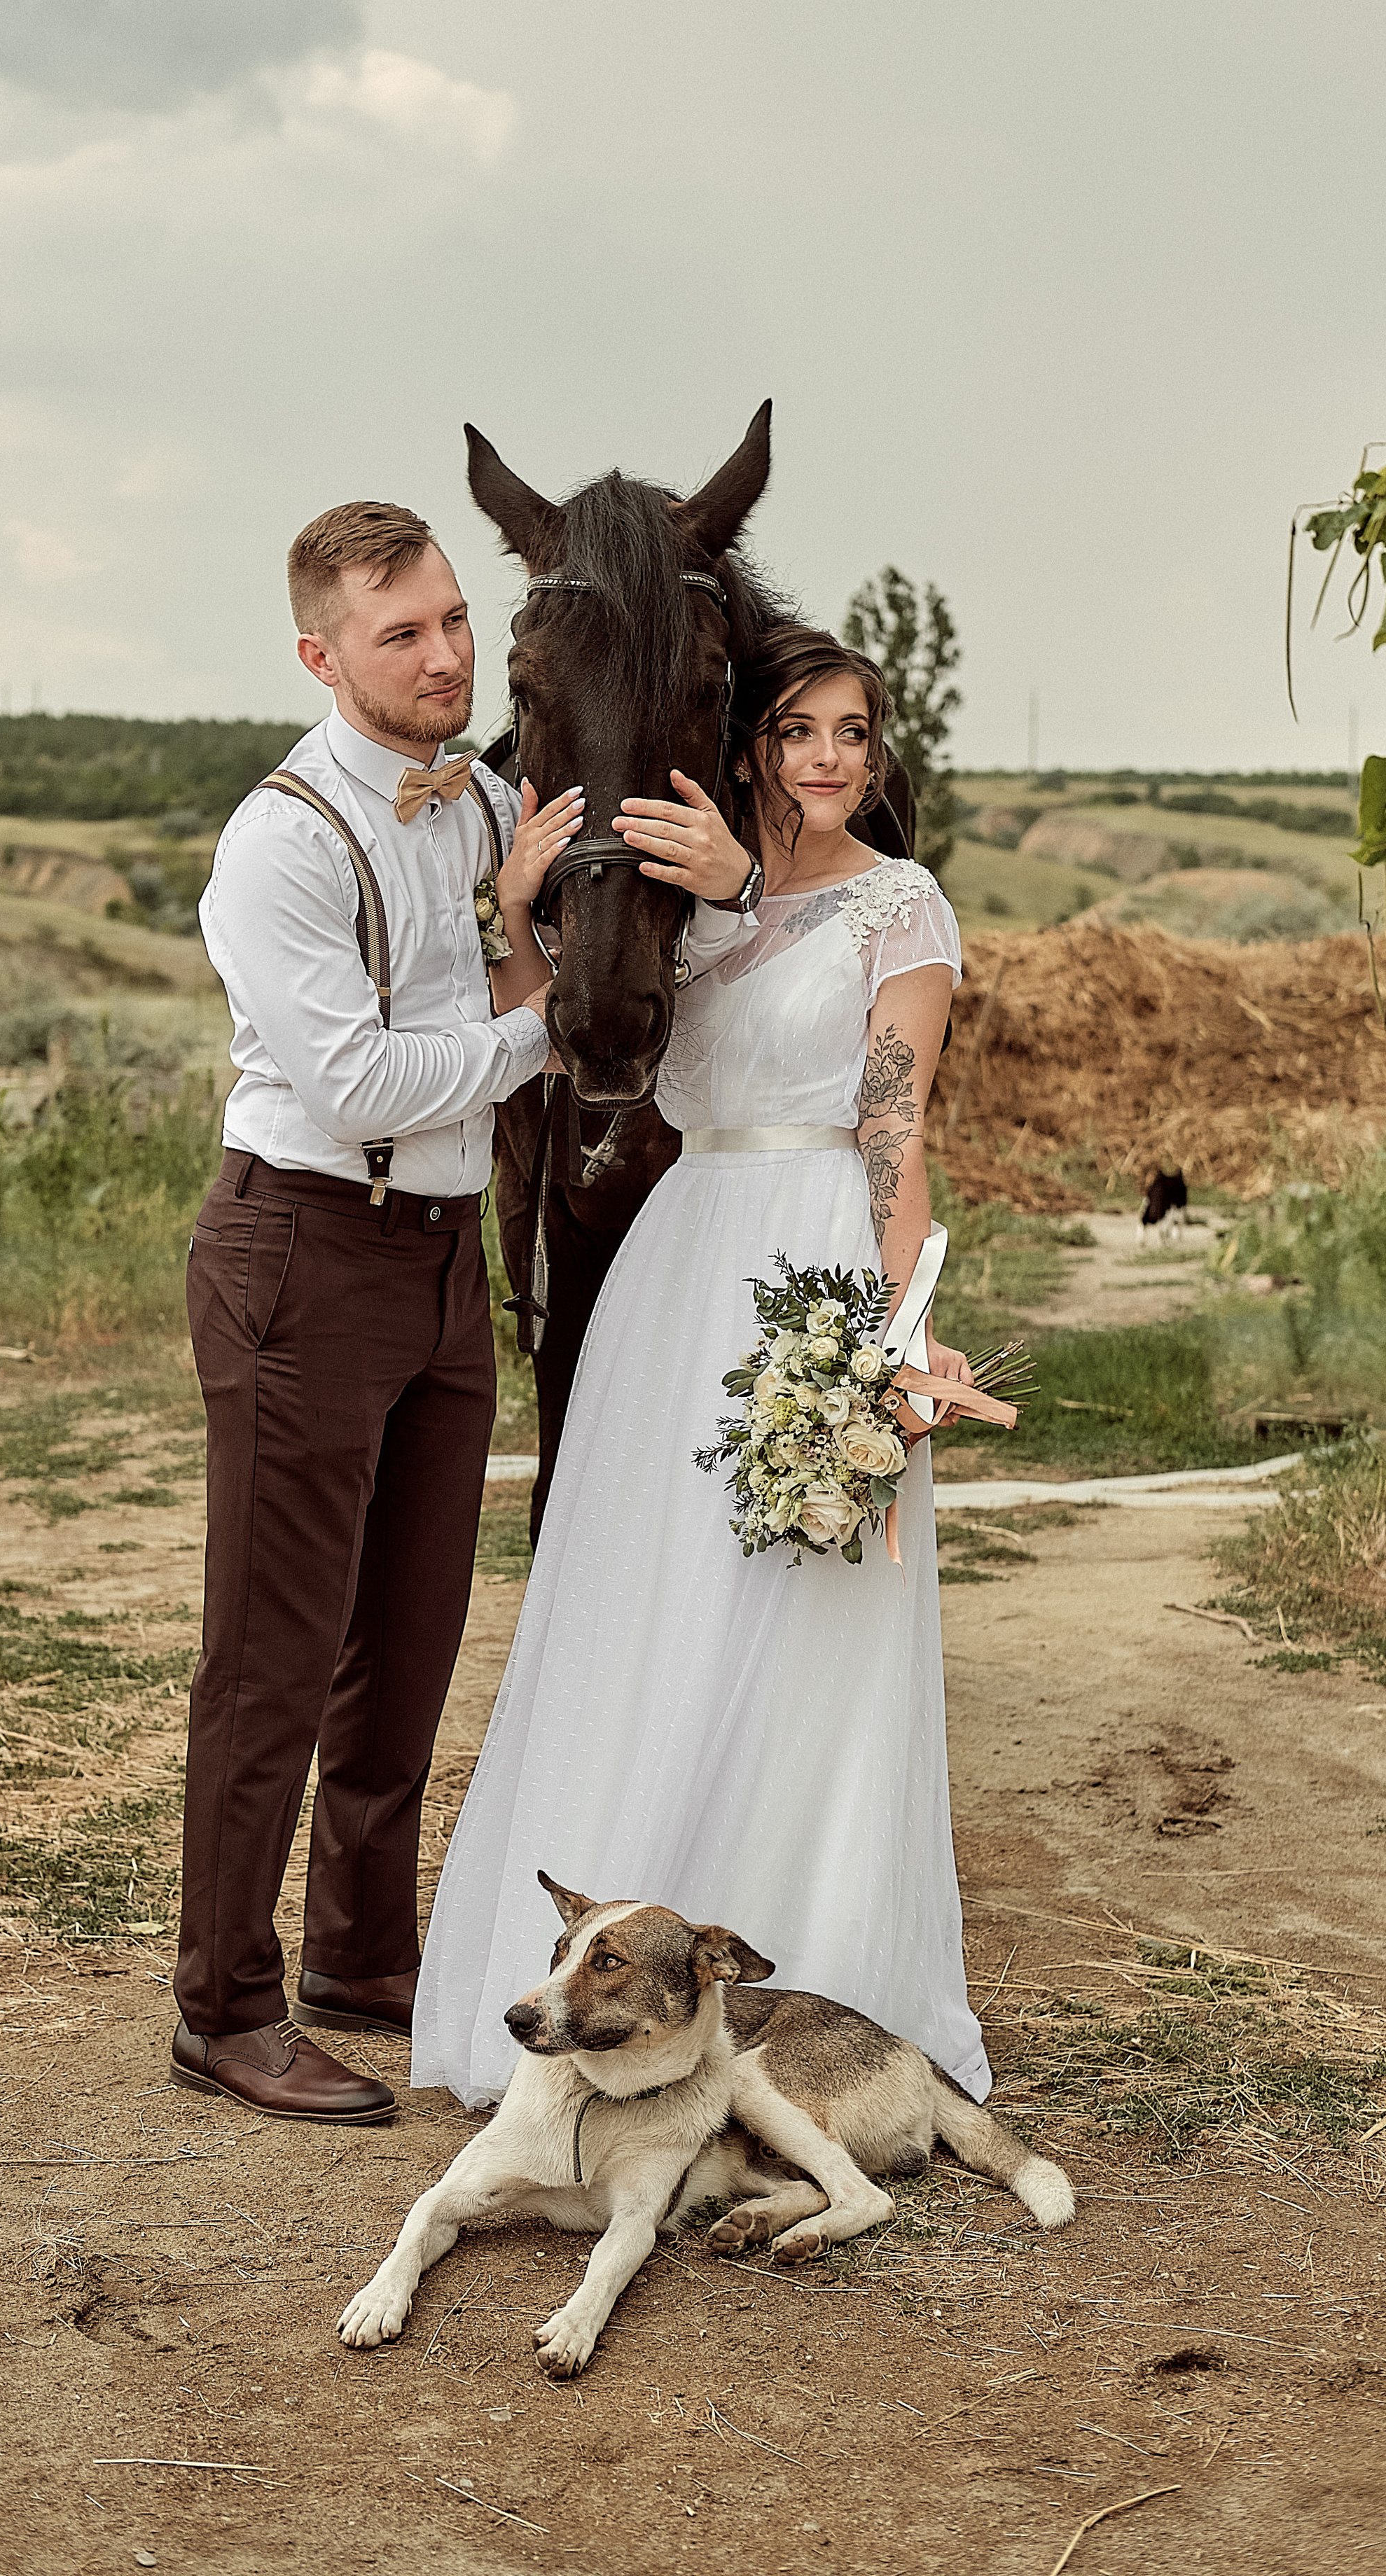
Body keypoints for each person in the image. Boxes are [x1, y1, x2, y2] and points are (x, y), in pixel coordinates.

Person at [413, 621, 990, 2111]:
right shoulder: (690, 902)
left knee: (804, 1611)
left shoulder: (900, 906)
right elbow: (561, 1042)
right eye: (797, 730)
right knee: (645, 1590)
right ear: (748, 749)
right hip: (679, 1271)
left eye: (851, 731)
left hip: (813, 1255)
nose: (825, 757)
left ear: (876, 753)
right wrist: (522, 913)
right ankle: (609, 1955)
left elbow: (892, 1126)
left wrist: (902, 1328)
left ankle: (801, 1971)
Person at [170, 499, 568, 2125]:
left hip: (438, 1260)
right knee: (271, 1658)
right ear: (319, 656)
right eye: (400, 634)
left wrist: (529, 914)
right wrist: (541, 1023)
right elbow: (358, 1084)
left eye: (453, 620)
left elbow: (482, 978)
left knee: (405, 1642)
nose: (444, 656)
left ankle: (357, 1953)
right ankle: (221, 2009)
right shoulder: (279, 842)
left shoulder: (472, 800)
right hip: (303, 1252)